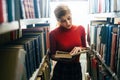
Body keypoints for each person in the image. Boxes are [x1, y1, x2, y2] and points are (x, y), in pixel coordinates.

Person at [49, 4, 86, 80]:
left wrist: (80, 48)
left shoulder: (80, 29)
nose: (68, 23)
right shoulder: (53, 34)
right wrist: (64, 58)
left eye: (69, 18)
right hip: (61, 69)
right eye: (63, 21)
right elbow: (52, 55)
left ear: (71, 15)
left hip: (76, 68)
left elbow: (85, 48)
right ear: (58, 21)